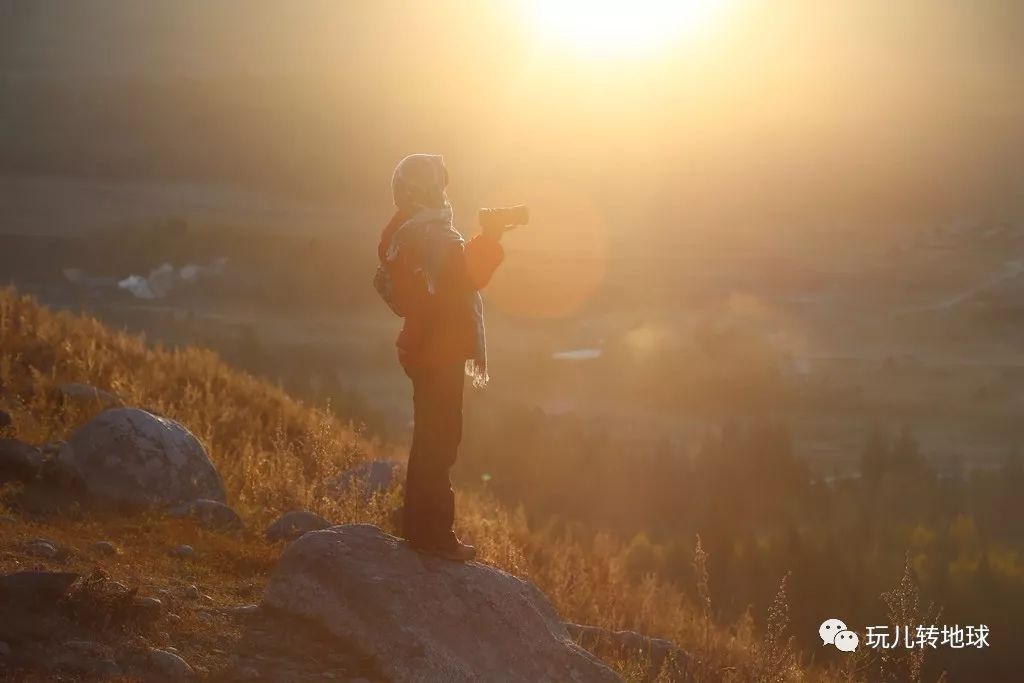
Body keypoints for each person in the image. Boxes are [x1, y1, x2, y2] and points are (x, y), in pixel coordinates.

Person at [376, 153, 509, 561]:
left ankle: (420, 529)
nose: (442, 192)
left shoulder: (408, 232)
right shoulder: (429, 234)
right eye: (437, 186)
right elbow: (464, 276)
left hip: (423, 348)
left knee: (429, 442)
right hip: (439, 353)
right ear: (426, 191)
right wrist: (490, 239)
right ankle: (434, 537)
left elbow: (448, 273)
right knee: (440, 444)